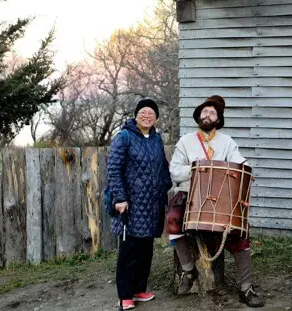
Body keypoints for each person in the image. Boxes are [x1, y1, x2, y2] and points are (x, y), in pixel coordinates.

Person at [168, 95, 265, 308]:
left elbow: (239, 162)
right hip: (189, 193)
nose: (208, 115)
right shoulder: (185, 141)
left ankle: (246, 287)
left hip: (219, 197)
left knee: (239, 232)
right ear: (198, 116)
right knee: (173, 219)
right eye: (205, 111)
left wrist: (246, 170)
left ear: (218, 120)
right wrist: (197, 169)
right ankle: (188, 270)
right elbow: (174, 171)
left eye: (213, 113)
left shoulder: (227, 142)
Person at [107, 98, 172, 310]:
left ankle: (139, 289)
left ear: (156, 118)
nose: (147, 116)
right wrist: (119, 198)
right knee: (129, 251)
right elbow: (113, 169)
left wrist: (166, 186)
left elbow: (162, 166)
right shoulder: (124, 137)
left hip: (152, 205)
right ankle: (125, 295)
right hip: (131, 205)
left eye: (151, 113)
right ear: (136, 115)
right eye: (143, 112)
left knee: (146, 249)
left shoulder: (156, 139)